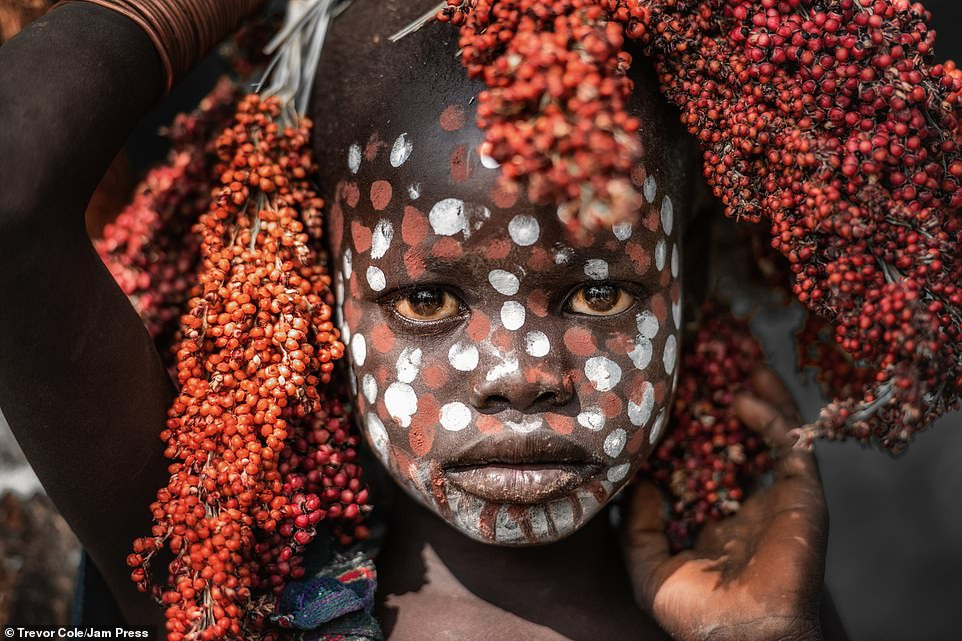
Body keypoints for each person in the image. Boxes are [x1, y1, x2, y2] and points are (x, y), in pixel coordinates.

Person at [0, 1, 846, 639]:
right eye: (429, 301)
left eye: (598, 294)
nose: (521, 375)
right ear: (312, 280)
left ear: (684, 276)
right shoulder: (221, 570)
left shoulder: (751, 596)